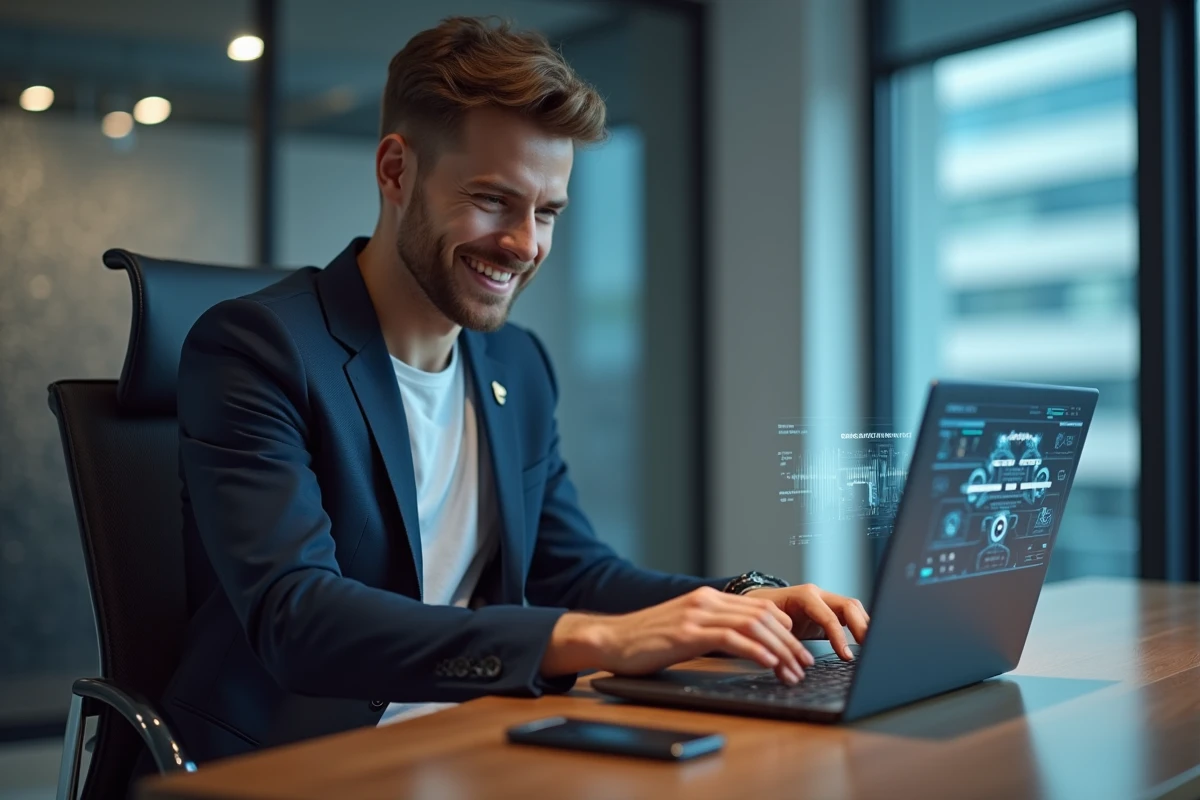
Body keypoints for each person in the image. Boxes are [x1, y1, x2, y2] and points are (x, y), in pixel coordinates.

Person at [160, 15, 870, 765]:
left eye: (548, 212)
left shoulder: (515, 365)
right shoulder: (256, 348)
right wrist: (593, 638)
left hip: (472, 742)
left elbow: (576, 571)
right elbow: (296, 617)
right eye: (494, 201)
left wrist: (734, 605)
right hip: (294, 761)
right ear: (396, 171)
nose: (525, 243)